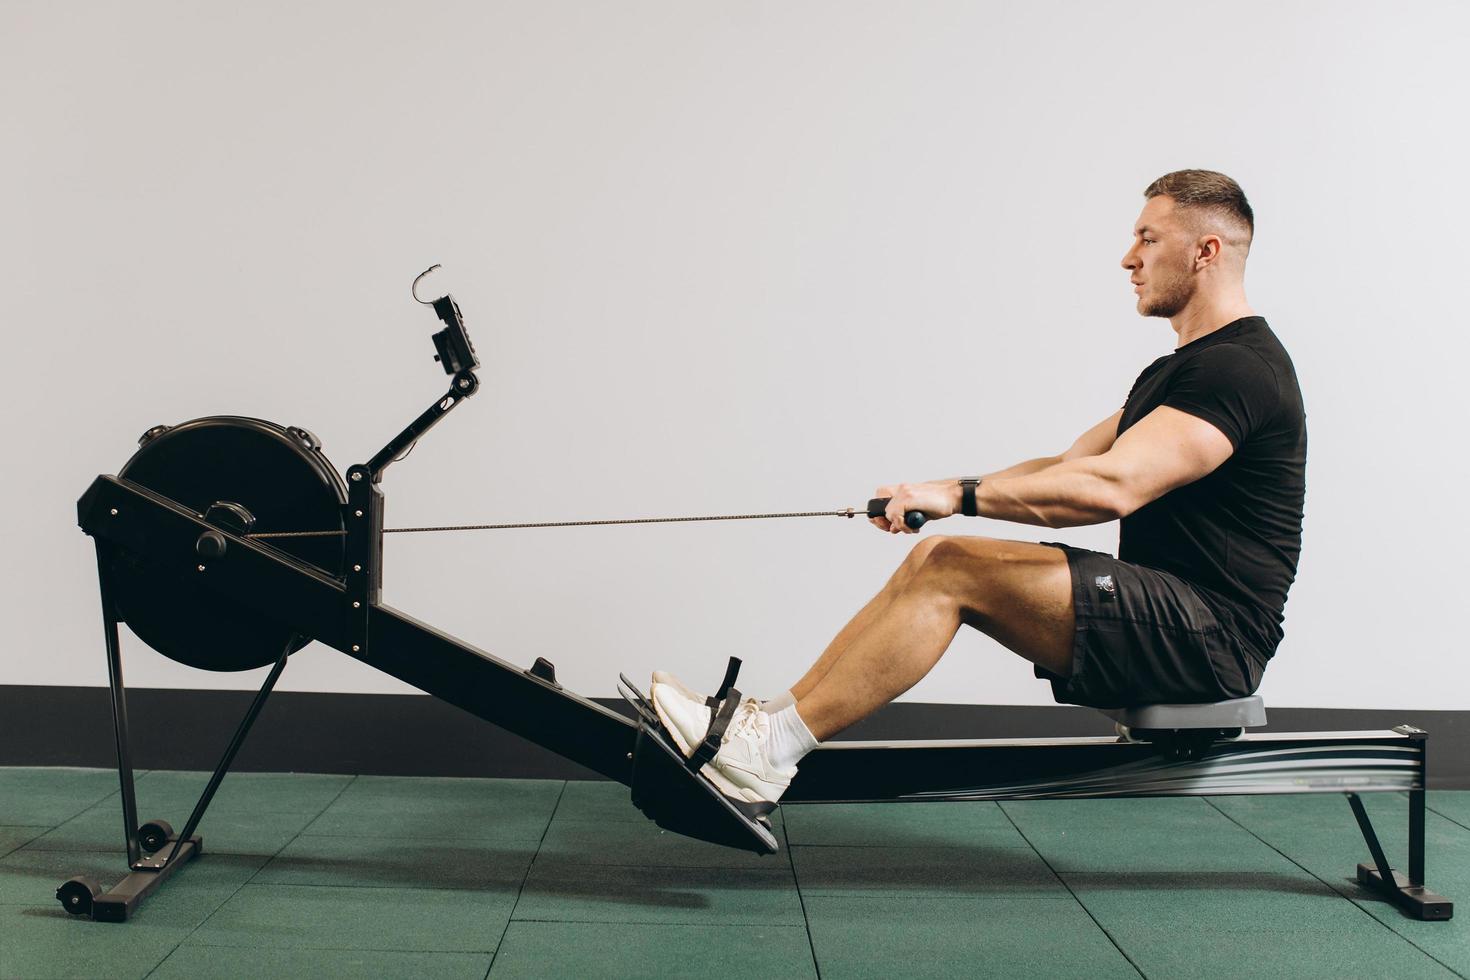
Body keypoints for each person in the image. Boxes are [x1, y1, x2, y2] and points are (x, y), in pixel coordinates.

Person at [652, 169, 1306, 809]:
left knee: (954, 572)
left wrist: (957, 497)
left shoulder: (1239, 370)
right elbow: (1067, 464)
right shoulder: (1179, 372)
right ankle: (762, 728)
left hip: (1213, 638)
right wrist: (933, 490)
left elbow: (1111, 486)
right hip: (1170, 614)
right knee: (937, 559)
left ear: (1205, 251)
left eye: (1148, 238)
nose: (1128, 257)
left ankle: (769, 752)